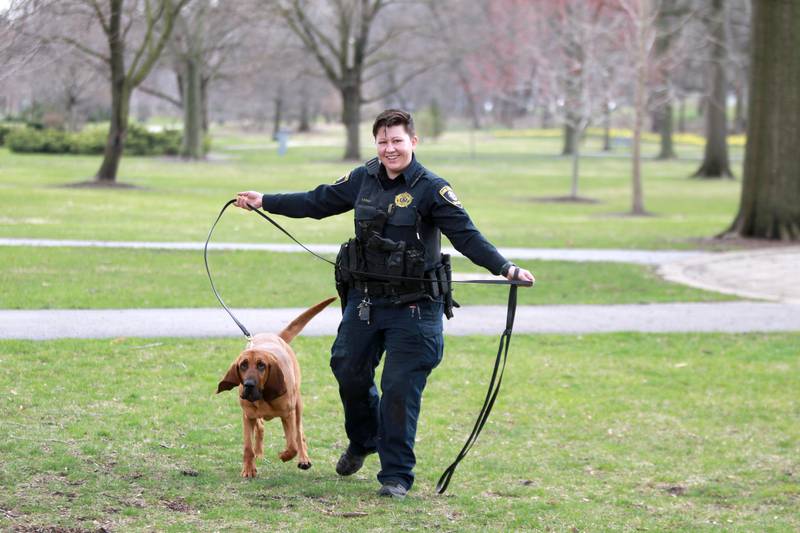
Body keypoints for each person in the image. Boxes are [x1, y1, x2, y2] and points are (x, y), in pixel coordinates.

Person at [235, 109, 534, 499]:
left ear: (413, 141)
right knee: (348, 369)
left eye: (397, 140)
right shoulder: (364, 178)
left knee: (398, 388)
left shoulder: (431, 188)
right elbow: (317, 200)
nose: (390, 149)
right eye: (383, 141)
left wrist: (505, 268)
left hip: (415, 309)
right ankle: (363, 440)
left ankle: (395, 476)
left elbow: (467, 235)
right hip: (366, 302)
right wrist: (266, 201)